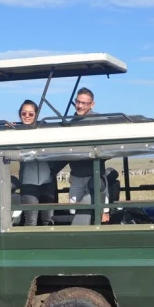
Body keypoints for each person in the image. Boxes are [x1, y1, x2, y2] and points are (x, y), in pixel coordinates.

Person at [53, 88, 110, 224]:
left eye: (84, 103)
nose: (79, 106)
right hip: (76, 177)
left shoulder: (100, 121)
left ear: (92, 104)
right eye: (78, 102)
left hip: (95, 176)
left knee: (101, 213)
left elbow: (109, 148)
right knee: (74, 212)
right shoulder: (69, 124)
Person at [15, 100, 56, 226]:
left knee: (48, 220)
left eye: (31, 114)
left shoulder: (44, 130)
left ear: (36, 115)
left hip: (47, 182)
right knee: (31, 220)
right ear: (20, 114)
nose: (27, 116)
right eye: (24, 113)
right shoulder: (15, 133)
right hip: (28, 184)